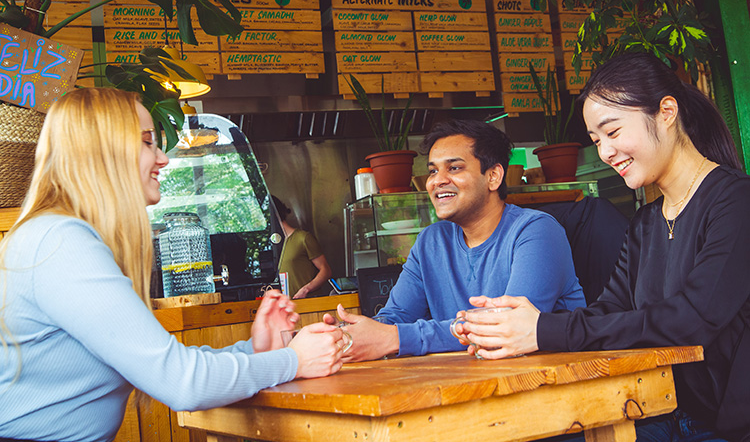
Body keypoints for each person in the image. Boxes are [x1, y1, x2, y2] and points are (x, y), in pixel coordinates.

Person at [0, 88, 346, 442]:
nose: (163, 158)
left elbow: (164, 363)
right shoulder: (61, 242)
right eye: (148, 142)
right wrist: (294, 361)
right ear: (105, 150)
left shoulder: (61, 236)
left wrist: (254, 349)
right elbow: (183, 382)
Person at [456, 53, 749, 441]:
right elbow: (608, 312)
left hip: (726, 428)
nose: (606, 153)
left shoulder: (737, 202)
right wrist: (514, 326)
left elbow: (693, 319)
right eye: (596, 141)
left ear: (666, 112)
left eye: (612, 132)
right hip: (658, 414)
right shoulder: (646, 223)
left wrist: (545, 331)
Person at [327, 119, 587, 362]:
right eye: (432, 171)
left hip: (543, 387)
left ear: (493, 176)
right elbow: (397, 316)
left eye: (454, 168)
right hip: (465, 387)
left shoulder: (536, 231)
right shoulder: (431, 241)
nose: (438, 181)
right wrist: (348, 334)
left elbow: (505, 328)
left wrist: (394, 338)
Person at [273, 195, 332, 299]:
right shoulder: (272, 247)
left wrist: (306, 290)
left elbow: (326, 270)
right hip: (286, 309)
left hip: (308, 305)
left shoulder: (303, 238)